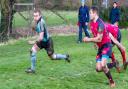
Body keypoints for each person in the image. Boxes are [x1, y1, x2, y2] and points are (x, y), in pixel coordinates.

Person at [25, 9, 70, 73]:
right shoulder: (36, 21)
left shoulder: (41, 22)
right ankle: (32, 69)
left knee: (52, 57)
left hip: (47, 42)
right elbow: (38, 33)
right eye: (34, 16)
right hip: (41, 42)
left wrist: (32, 41)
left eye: (36, 16)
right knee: (32, 51)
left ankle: (65, 56)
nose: (35, 17)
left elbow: (40, 37)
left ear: (40, 15)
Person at [83, 7, 115, 87]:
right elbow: (95, 35)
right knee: (98, 69)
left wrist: (88, 39)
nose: (89, 15)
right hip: (100, 47)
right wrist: (94, 43)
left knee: (103, 65)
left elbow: (99, 38)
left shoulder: (100, 24)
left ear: (95, 13)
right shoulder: (91, 23)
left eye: (90, 13)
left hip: (106, 45)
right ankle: (113, 64)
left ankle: (112, 82)